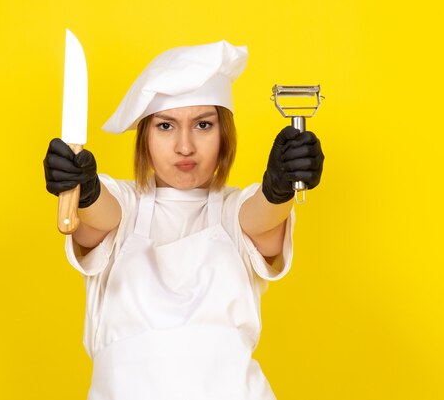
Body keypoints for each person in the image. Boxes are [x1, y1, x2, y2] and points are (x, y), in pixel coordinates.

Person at [43, 41, 324, 400]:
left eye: (203, 125)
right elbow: (100, 219)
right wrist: (86, 192)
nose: (185, 146)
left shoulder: (232, 210)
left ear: (224, 135)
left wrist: (278, 189)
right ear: (144, 135)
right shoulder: (123, 205)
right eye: (165, 126)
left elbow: (261, 221)